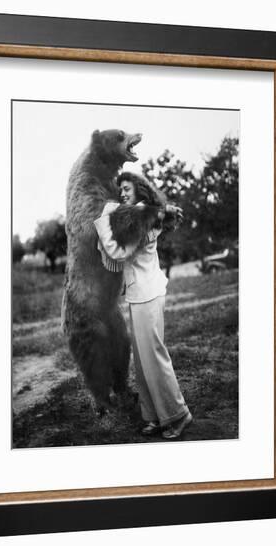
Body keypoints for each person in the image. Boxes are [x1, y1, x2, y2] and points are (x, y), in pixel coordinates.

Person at [94, 172, 192, 439]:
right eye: (120, 190)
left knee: (155, 358)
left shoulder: (143, 217)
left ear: (139, 190)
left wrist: (102, 221)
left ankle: (178, 414)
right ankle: (155, 416)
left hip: (147, 294)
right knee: (143, 361)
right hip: (140, 294)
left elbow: (118, 252)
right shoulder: (141, 214)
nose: (122, 193)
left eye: (126, 188)